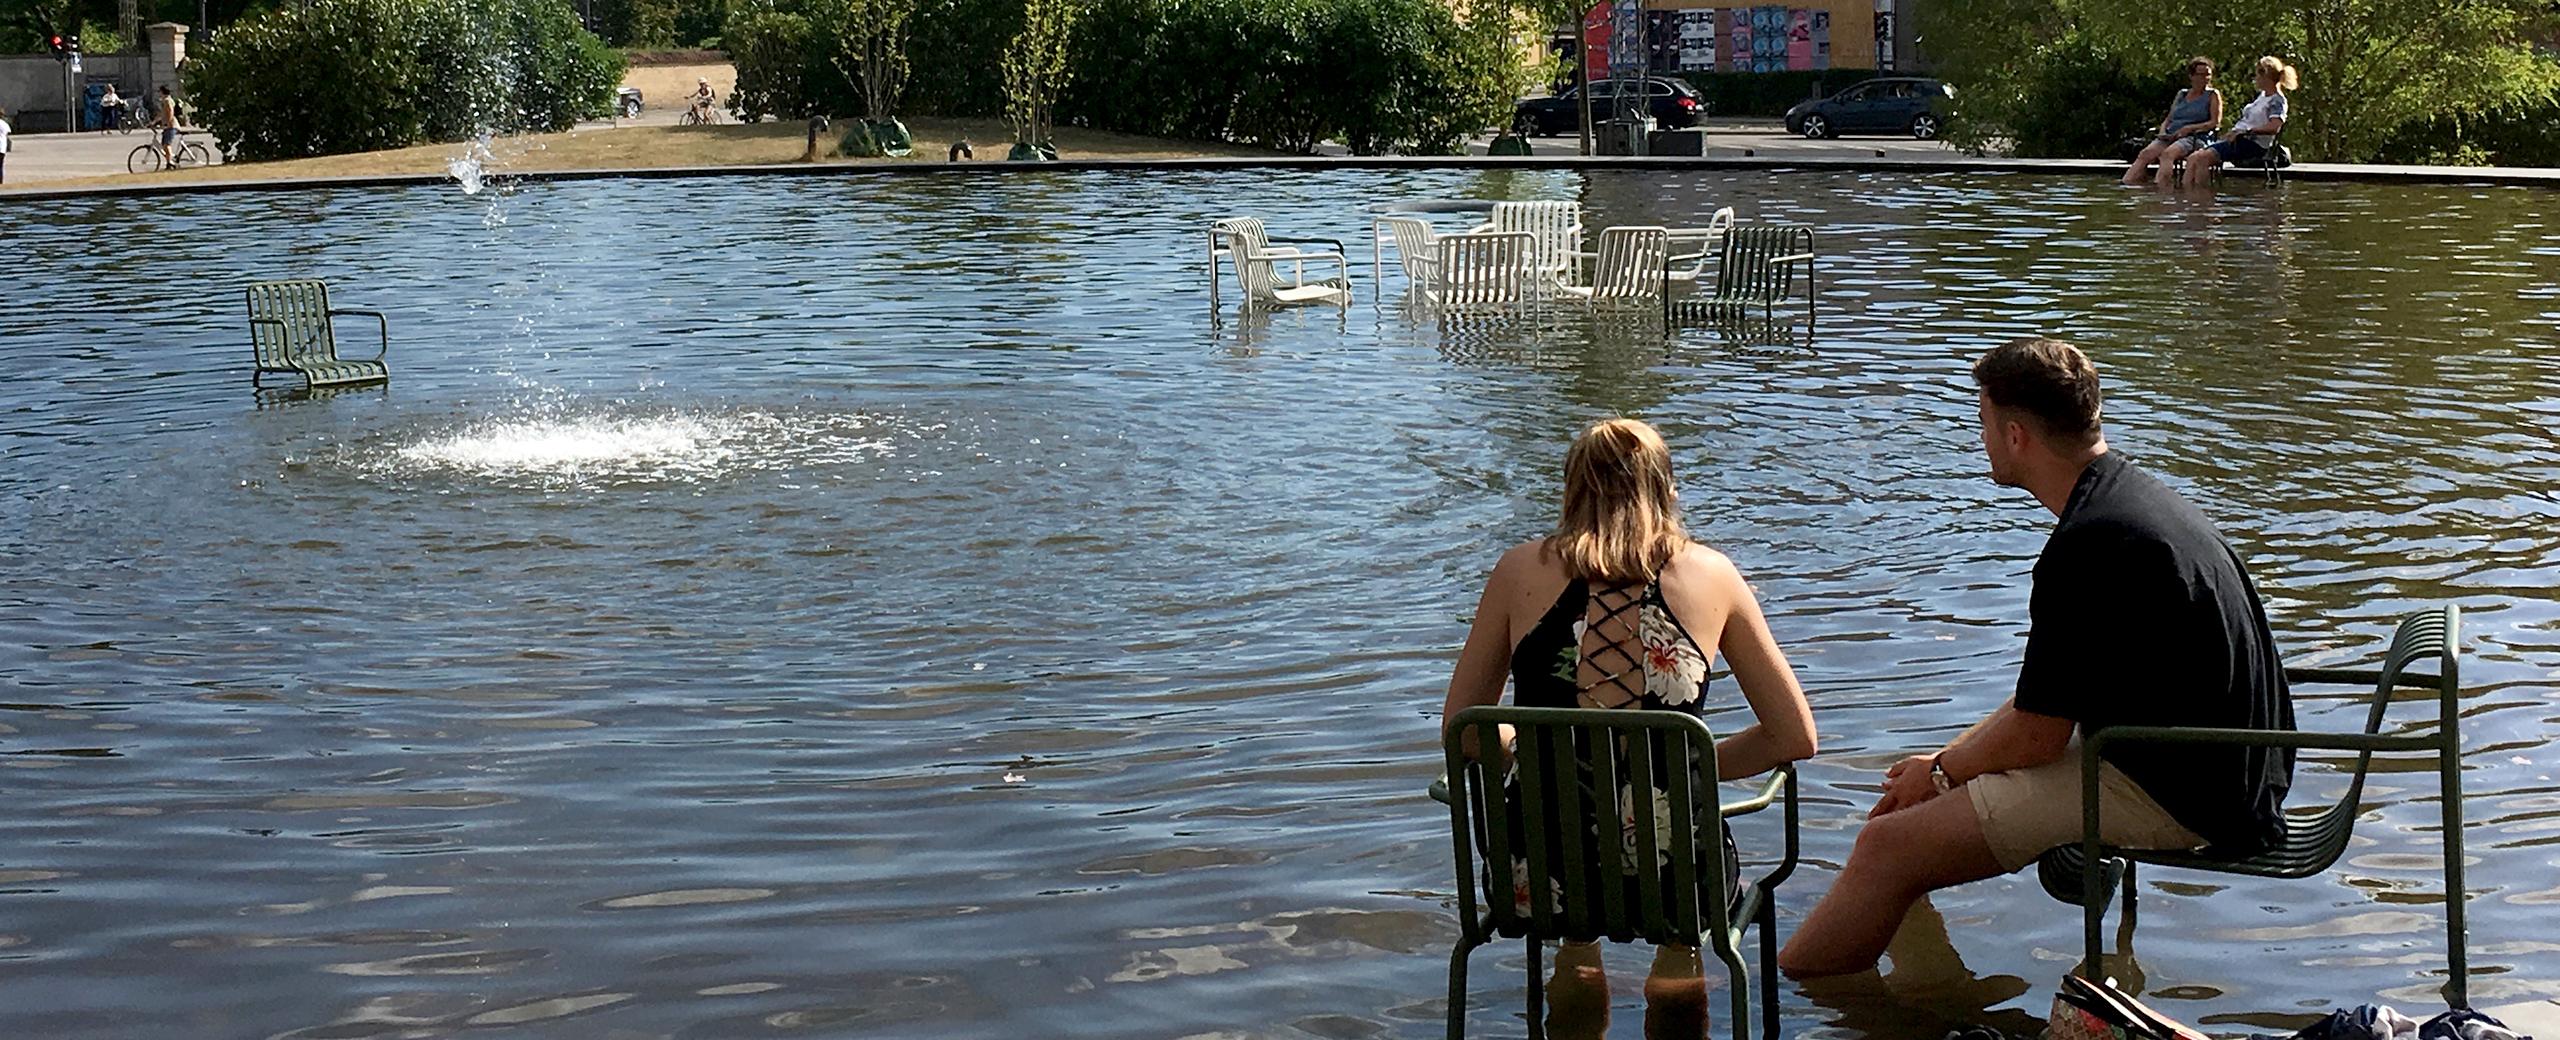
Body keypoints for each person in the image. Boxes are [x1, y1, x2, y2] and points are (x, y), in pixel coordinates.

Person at [1777, 338, 2294, 979]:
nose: (1983, 440)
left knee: (1885, 848)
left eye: (1984, 424)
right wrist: (1943, 770)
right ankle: (1919, 998)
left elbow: (2038, 736)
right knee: (1909, 821)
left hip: (2185, 793)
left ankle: (1802, 1004)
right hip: (2218, 767)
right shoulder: (2130, 501)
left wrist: (1941, 771)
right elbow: (2050, 699)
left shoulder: (2089, 544)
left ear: (2016, 434)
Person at [1442, 417, 1818, 1039]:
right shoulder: (1713, 576)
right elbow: (1794, 736)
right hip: (1674, 870)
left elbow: (1465, 734)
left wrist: (1529, 750)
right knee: (1684, 940)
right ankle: (1675, 971)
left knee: (1573, 931)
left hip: (1538, 869)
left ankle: (1577, 961)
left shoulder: (1516, 573)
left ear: (1570, 491)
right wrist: (1683, 770)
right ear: (1667, 491)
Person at [2182, 56, 2295, 184]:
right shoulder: (2262, 97)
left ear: (2265, 76)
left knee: (2202, 158)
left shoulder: (2277, 100)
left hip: (2253, 144)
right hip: (2239, 140)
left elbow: (2274, 127)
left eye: (2257, 75)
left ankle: (2200, 194)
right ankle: (2187, 195)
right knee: (2193, 158)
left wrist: (2245, 131)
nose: (2255, 78)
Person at [2123, 57, 2222, 186]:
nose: (2205, 78)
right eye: (2201, 74)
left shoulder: (2212, 95)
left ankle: (2162, 189)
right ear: (2192, 76)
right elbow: (2169, 118)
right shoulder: (2182, 94)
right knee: (2145, 154)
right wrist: (2163, 131)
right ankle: (2127, 185)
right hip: (2171, 134)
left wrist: (2189, 128)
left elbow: (2214, 123)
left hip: (2195, 136)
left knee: (2167, 154)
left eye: (2208, 74)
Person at [153, 85, 179, 168]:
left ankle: (170, 162)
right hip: (167, 126)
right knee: (164, 145)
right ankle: (170, 159)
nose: (159, 94)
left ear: (163, 92)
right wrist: (153, 122)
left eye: (159, 92)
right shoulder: (164, 101)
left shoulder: (167, 101)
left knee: (166, 145)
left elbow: (170, 112)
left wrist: (168, 122)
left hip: (171, 126)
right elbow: (161, 114)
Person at [0, 107, 11, 185]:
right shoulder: (4, 124)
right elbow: (8, 133)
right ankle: (0, 181)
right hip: (2, 148)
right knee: (0, 166)